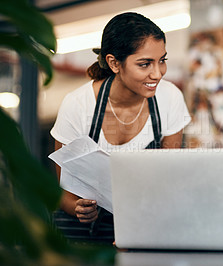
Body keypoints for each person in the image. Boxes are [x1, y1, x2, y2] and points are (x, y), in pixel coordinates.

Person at [50, 12, 191, 244]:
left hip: (144, 227)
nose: (157, 74)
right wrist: (78, 208)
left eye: (162, 60)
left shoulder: (170, 98)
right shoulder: (77, 105)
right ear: (115, 63)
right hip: (84, 236)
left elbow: (169, 178)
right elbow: (62, 190)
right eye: (145, 64)